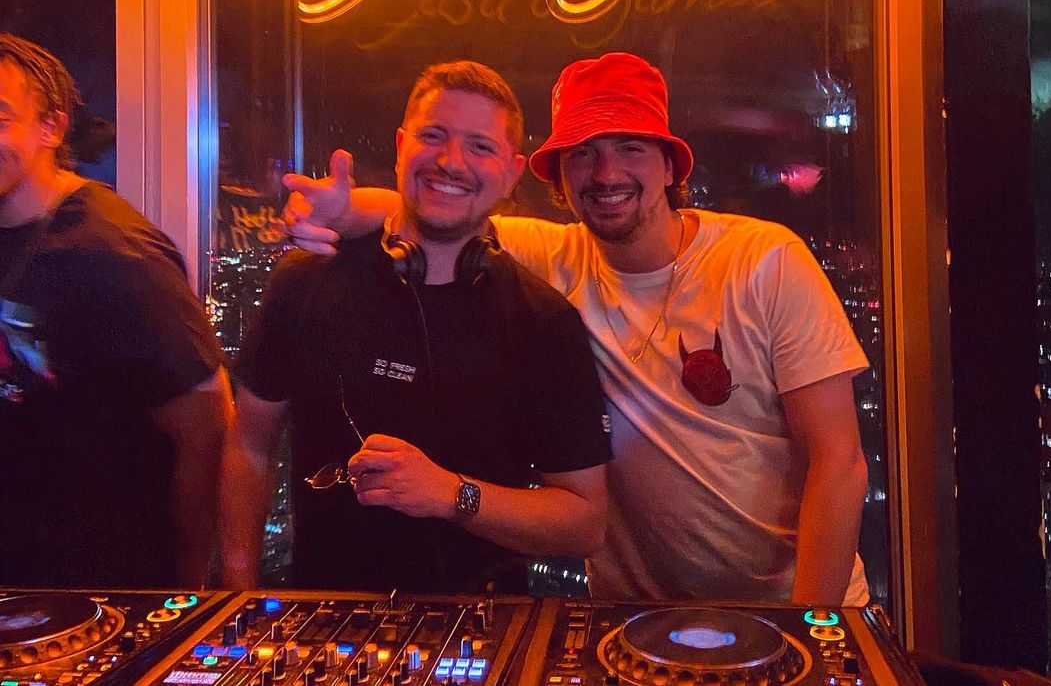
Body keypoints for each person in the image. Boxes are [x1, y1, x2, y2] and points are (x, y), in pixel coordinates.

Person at [285, 52, 870, 606]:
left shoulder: (764, 261)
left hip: (789, 612)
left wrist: (811, 631)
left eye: (630, 147)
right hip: (633, 622)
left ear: (670, 166)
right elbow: (440, 209)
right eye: (583, 153)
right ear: (560, 178)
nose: (607, 172)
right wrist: (342, 212)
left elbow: (839, 462)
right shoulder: (554, 258)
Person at [220, 61, 610, 593]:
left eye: (480, 146)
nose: (451, 161)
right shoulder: (306, 281)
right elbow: (250, 443)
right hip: (325, 614)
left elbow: (584, 523)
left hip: (485, 621)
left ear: (511, 172)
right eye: (433, 136)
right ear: (401, 145)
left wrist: (451, 494)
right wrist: (238, 593)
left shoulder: (544, 322)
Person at [0, 34, 230, 588]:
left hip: (97, 586)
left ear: (51, 128)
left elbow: (205, 425)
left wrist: (188, 592)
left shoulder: (112, 252)